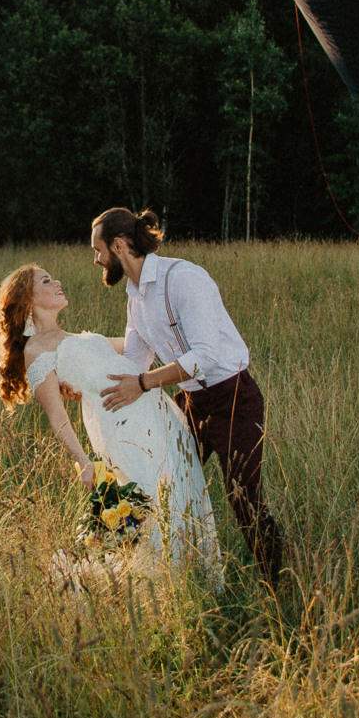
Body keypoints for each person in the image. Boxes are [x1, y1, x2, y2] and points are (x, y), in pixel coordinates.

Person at [0, 262, 222, 586]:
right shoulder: (37, 349)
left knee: (175, 496)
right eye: (46, 280)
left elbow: (138, 346)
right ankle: (157, 590)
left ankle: (190, 582)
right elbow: (57, 417)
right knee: (151, 505)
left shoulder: (74, 336)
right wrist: (83, 461)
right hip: (123, 427)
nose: (57, 281)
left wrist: (166, 313)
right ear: (27, 299)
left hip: (156, 417)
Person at [91, 207, 286, 584]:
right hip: (192, 402)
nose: (96, 259)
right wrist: (84, 377)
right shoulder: (135, 295)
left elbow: (205, 356)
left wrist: (146, 383)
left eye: (98, 250)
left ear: (118, 246)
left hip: (233, 399)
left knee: (242, 499)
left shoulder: (184, 279)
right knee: (160, 484)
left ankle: (278, 582)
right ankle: (166, 575)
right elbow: (134, 358)